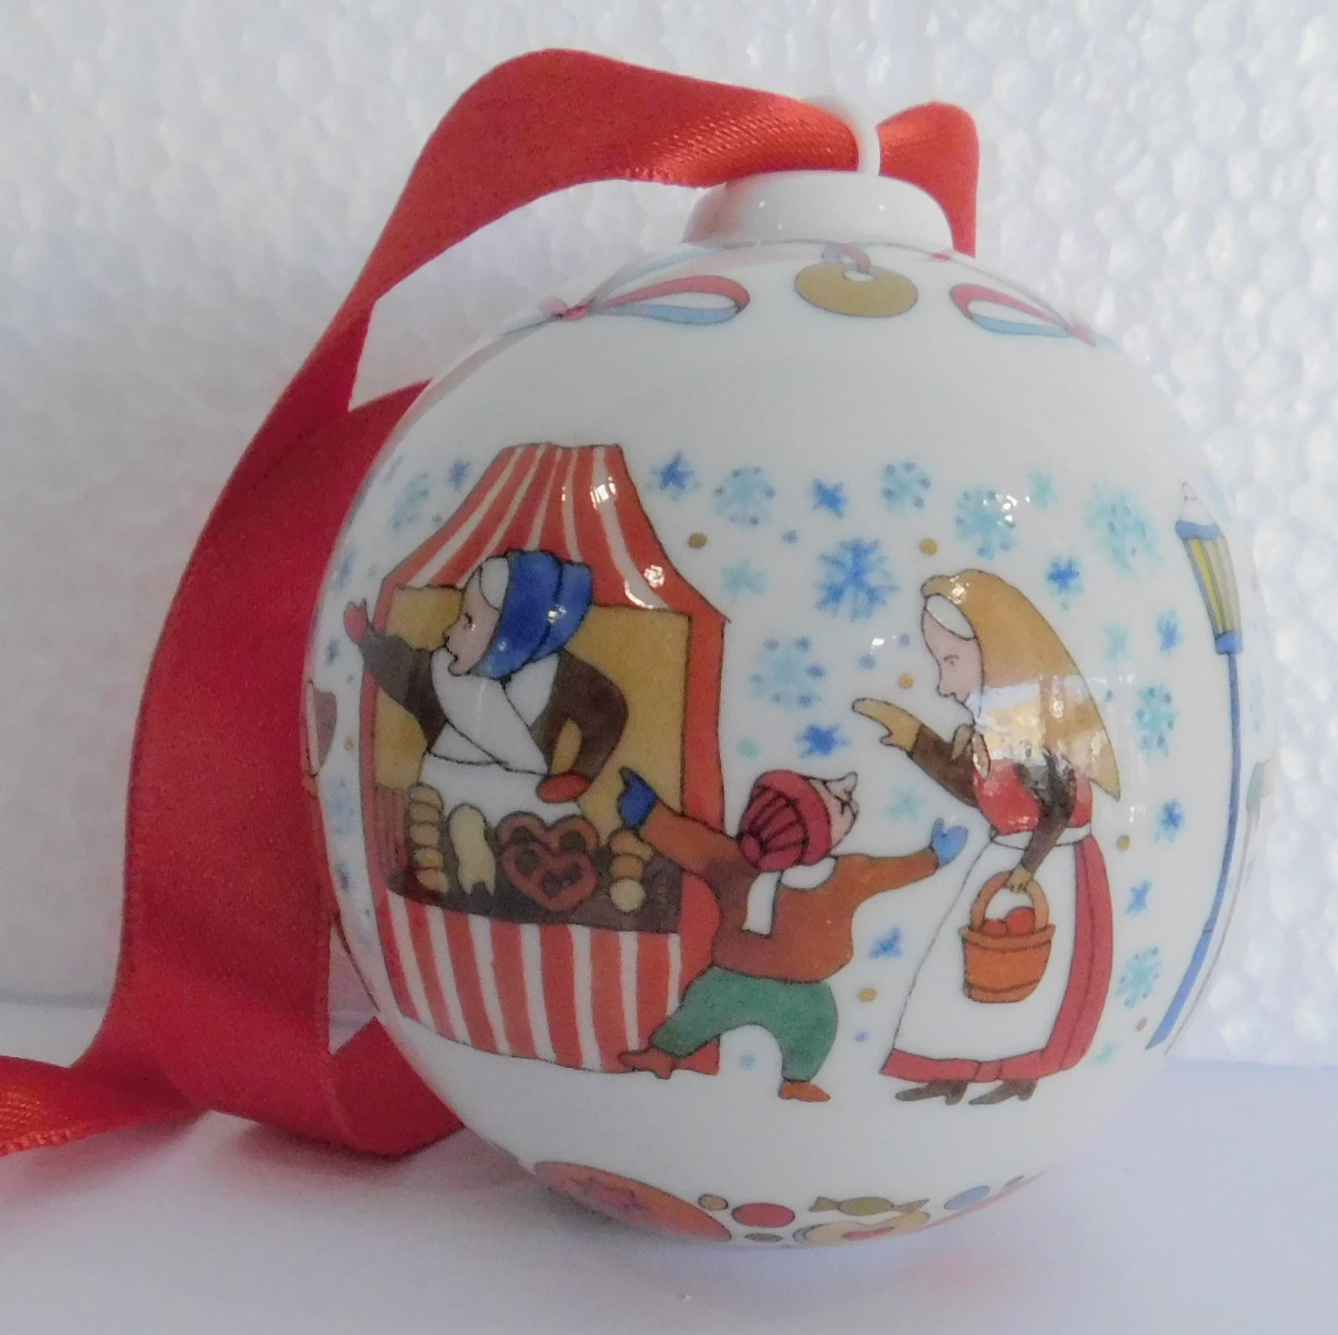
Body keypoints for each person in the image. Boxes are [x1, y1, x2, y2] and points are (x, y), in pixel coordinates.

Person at [853, 570, 1120, 1106]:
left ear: (995, 658)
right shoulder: (990, 734)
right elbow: (980, 794)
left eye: (951, 662)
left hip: (1051, 864)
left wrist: (1028, 868)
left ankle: (1021, 1070)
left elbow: (1057, 808)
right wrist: (914, 739)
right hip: (1004, 856)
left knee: (1031, 973)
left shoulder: (1031, 733)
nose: (942, 685)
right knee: (967, 967)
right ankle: (954, 1068)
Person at [614, 767, 966, 1102]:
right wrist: (650, 814)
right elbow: (691, 842)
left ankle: (796, 1082)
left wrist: (932, 858)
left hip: (799, 989)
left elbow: (891, 872)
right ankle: (663, 1054)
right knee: (700, 1009)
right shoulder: (743, 862)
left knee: (816, 1026)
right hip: (736, 978)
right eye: (841, 807)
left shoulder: (841, 874)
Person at [345, 549, 627, 826]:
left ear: (510, 631)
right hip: (439, 804)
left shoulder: (560, 676)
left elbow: (607, 711)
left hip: (528, 812)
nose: (448, 631)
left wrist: (580, 774)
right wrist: (369, 641)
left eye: (468, 621)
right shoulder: (442, 673)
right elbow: (403, 669)